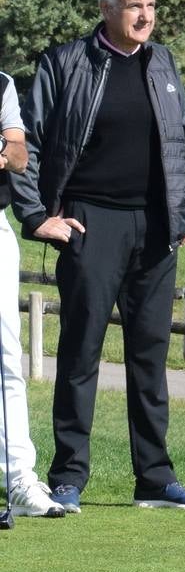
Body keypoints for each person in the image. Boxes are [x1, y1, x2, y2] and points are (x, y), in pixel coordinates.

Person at [12, 0, 185, 512]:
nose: (145, 16)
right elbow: (25, 141)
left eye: (151, 6)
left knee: (149, 357)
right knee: (80, 354)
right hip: (88, 223)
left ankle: (155, 478)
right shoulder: (64, 63)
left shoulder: (163, 62)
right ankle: (69, 478)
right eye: (133, 6)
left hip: (155, 229)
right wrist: (36, 217)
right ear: (105, 9)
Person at [1, 63, 63, 522]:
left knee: (6, 356)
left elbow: (20, 155)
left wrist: (4, 147)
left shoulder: (1, 84)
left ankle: (19, 477)